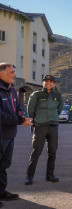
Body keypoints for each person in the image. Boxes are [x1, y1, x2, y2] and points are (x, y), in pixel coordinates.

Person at [0, 63, 32, 201]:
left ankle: (1, 192)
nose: (14, 74)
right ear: (2, 74)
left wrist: (21, 117)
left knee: (4, 165)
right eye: (12, 72)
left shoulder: (12, 90)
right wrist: (19, 120)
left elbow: (19, 107)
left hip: (10, 133)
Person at [25, 75, 63, 185]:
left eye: (51, 82)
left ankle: (50, 175)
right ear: (43, 83)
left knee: (52, 152)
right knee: (36, 151)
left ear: (54, 84)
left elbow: (59, 109)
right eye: (46, 82)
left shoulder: (57, 95)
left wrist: (53, 117)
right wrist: (37, 119)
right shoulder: (36, 95)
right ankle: (29, 176)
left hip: (53, 126)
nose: (48, 83)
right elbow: (30, 110)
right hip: (40, 126)